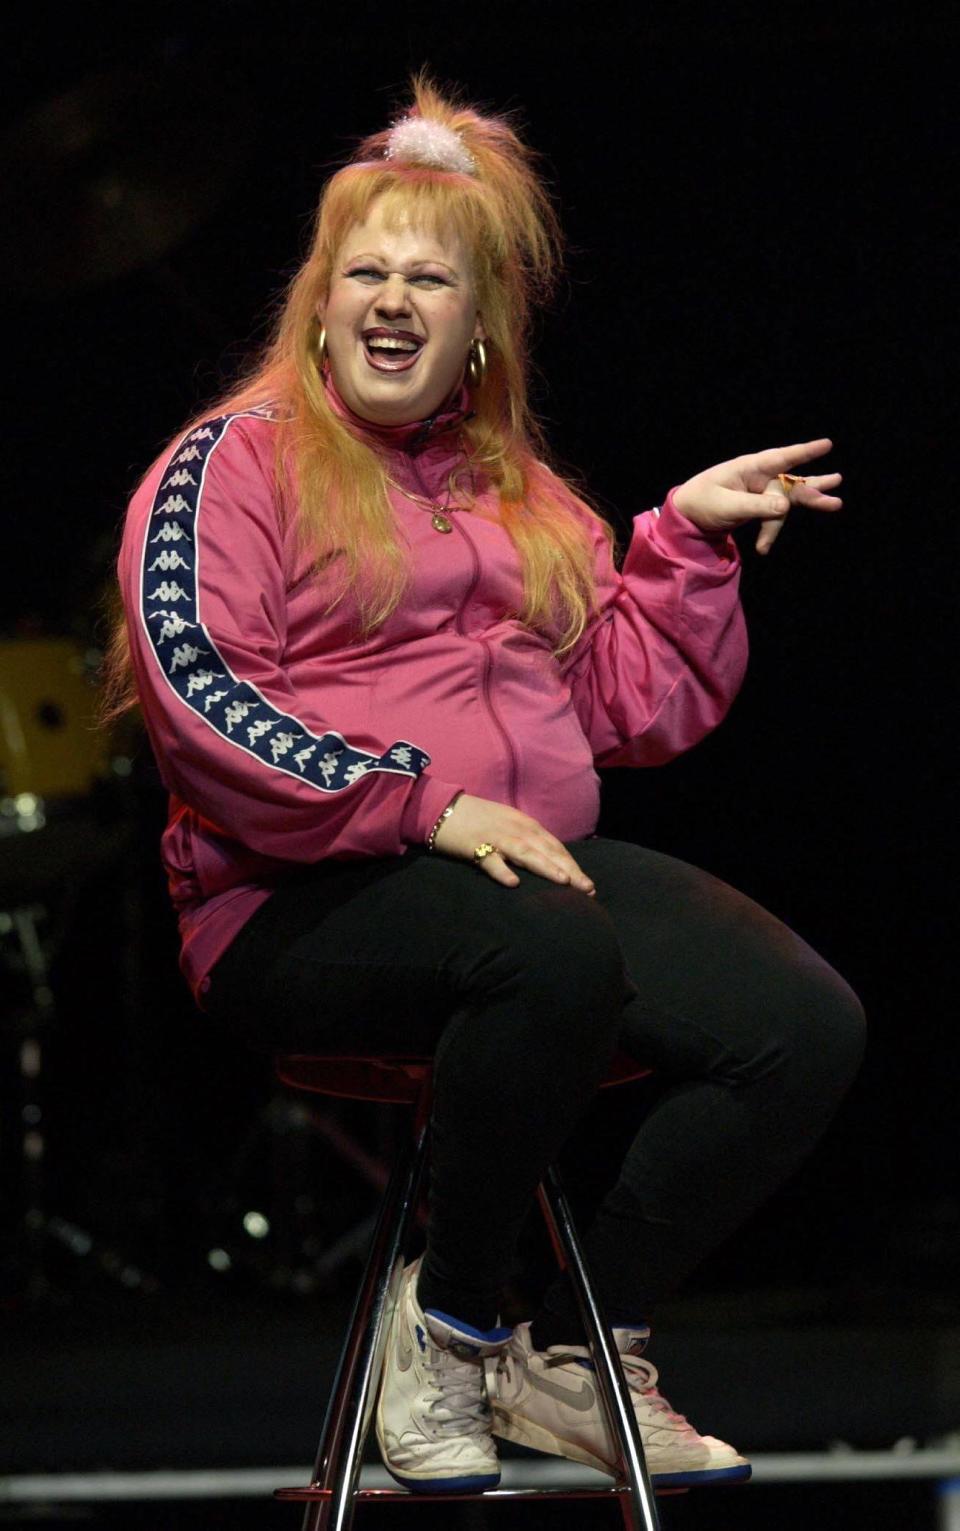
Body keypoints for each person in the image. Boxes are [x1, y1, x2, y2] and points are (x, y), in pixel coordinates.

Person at [109, 74, 865, 1496]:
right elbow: (198, 692)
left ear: (476, 331)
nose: (394, 301)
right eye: (366, 274)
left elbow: (628, 705)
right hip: (295, 906)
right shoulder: (235, 463)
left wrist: (684, 548)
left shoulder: (512, 488)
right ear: (321, 305)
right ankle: (447, 1326)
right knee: (548, 947)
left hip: (509, 896)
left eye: (430, 280)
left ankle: (571, 1353)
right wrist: (422, 803)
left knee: (799, 1025)